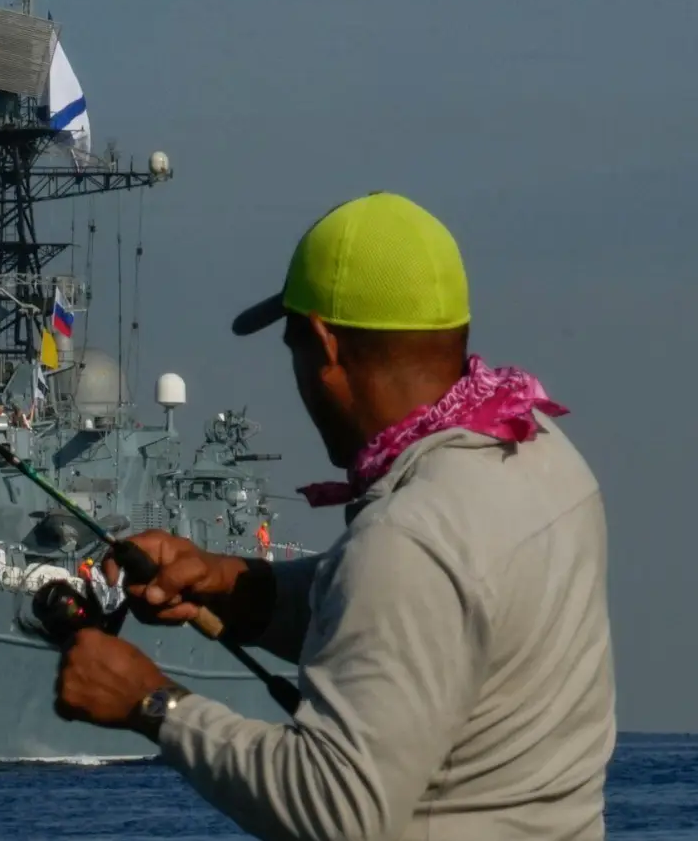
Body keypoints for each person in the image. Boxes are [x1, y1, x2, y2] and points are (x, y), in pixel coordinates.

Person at [53, 191, 614, 840]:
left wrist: (153, 705)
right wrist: (233, 584)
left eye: (292, 350)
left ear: (324, 345)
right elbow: (425, 623)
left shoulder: (407, 540)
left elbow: (337, 811)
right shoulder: (542, 453)